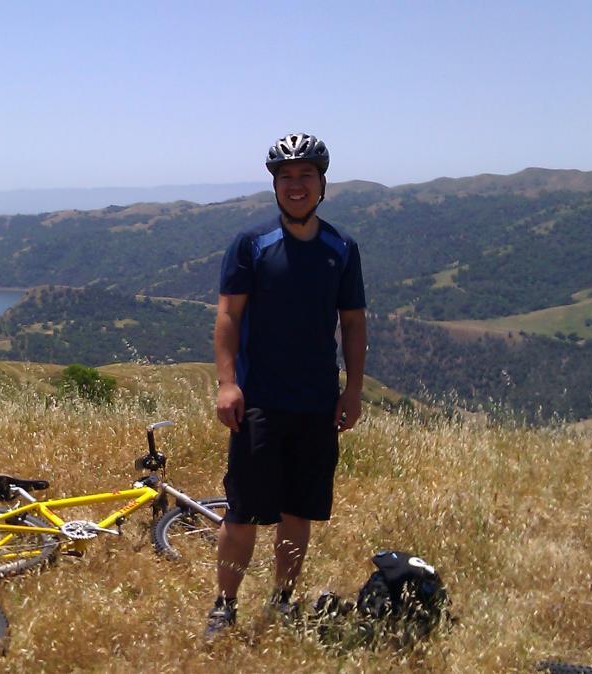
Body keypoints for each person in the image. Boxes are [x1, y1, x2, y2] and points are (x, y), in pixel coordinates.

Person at [206, 133, 368, 639]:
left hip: (317, 403)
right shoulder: (252, 244)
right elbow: (228, 317)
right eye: (287, 177)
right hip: (260, 401)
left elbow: (353, 323)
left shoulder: (341, 248)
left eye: (306, 175)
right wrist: (227, 384)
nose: (296, 185)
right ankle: (224, 607)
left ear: (322, 183)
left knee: (299, 511)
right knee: (243, 514)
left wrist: (353, 391)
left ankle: (282, 601)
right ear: (275, 186)